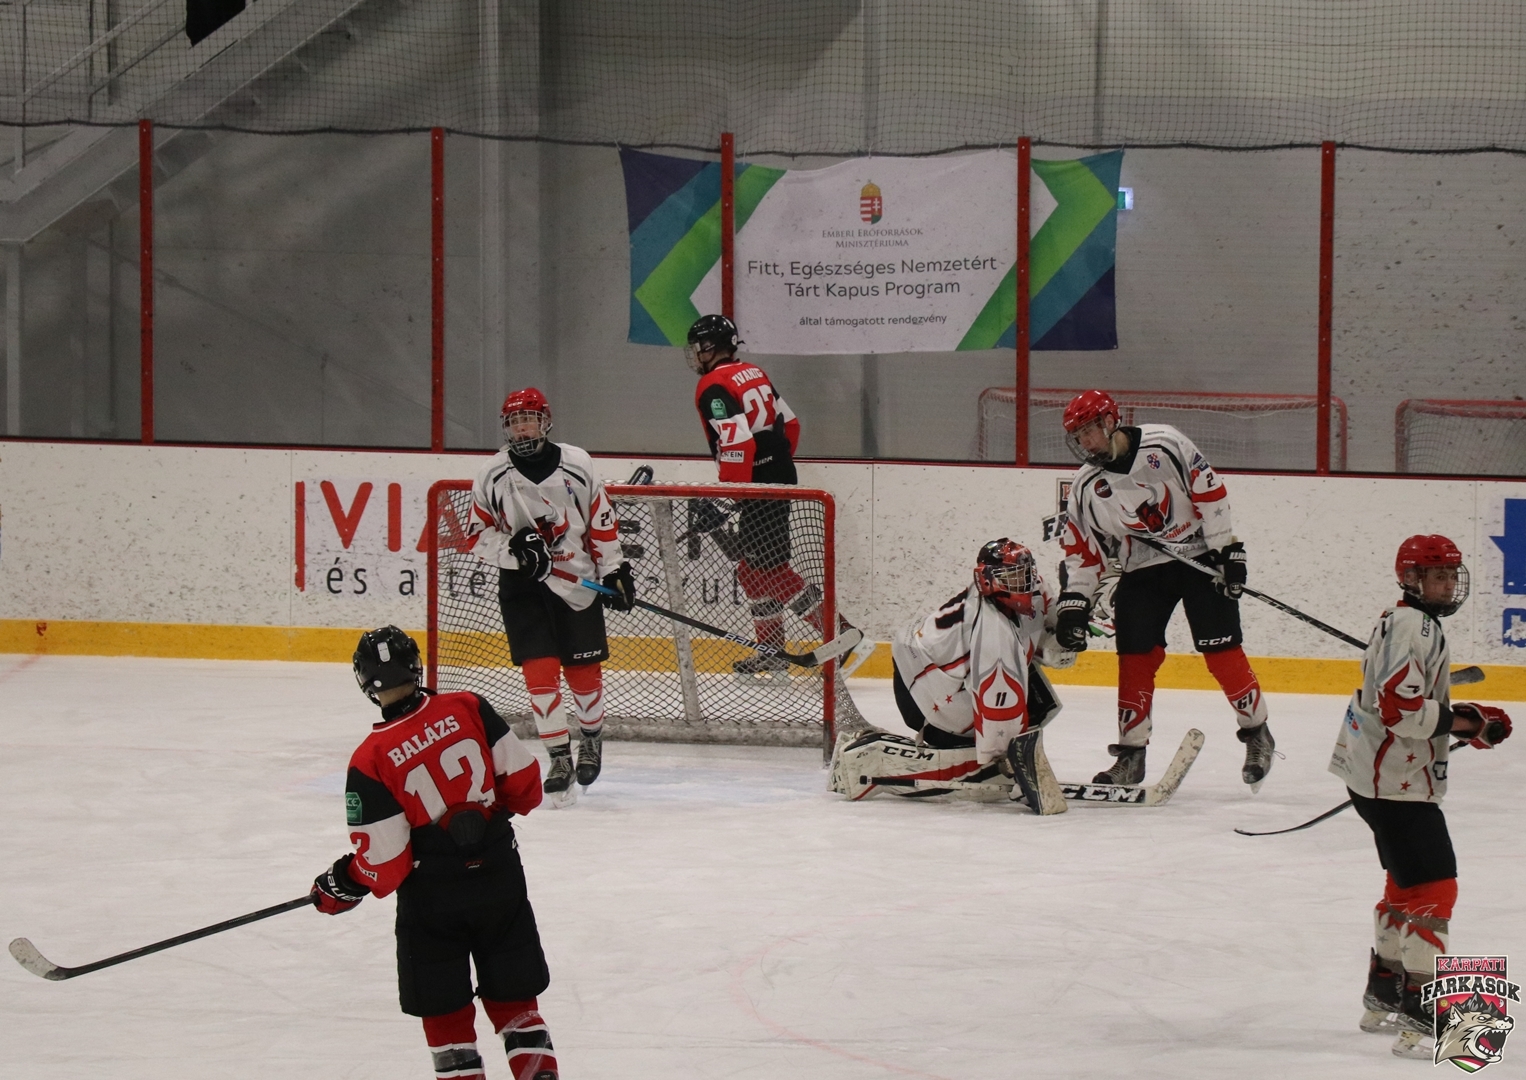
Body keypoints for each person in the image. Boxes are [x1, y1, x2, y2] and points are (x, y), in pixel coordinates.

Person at [311, 626, 560, 1080]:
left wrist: (342, 883)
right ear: (415, 665)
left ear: (365, 682)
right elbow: (526, 787)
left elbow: (385, 865)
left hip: (432, 899)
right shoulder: (468, 706)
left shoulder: (370, 759)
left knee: (446, 1018)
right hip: (499, 876)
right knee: (517, 1004)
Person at [1327, 536, 1512, 1058]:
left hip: (1376, 776)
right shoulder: (1414, 626)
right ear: (1411, 578)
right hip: (1397, 783)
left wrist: (1463, 719)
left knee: (1404, 886)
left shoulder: (1402, 619)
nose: (1448, 584)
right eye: (1438, 576)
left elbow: (1400, 701)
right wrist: (1468, 723)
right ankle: (1422, 1016)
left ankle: (1384, 996)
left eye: (1452, 575)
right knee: (1436, 890)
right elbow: (1400, 712)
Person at [1054, 389, 1275, 789]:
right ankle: (1131, 755)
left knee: (1221, 650)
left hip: (1199, 557)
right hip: (1142, 568)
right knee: (1134, 657)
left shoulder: (1165, 443)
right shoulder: (1086, 487)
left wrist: (1227, 552)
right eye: (1078, 435)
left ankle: (1257, 732)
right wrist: (1075, 601)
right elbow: (1084, 554)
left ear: (1110, 422)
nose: (1084, 442)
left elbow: (1210, 494)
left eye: (1089, 430)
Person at [465, 387, 635, 803]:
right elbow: (476, 535)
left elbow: (601, 523)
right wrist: (515, 551)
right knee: (539, 676)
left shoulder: (578, 463)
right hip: (523, 588)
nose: (522, 429)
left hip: (576, 582)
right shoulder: (491, 473)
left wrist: (614, 571)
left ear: (545, 422)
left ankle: (590, 740)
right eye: (515, 422)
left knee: (583, 674)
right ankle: (559, 758)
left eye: (529, 420)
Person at [829, 539, 1074, 812]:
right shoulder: (992, 630)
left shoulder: (1033, 589)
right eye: (1012, 577)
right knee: (987, 758)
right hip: (922, 687)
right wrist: (1014, 768)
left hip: (928, 663)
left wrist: (1066, 632)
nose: (1022, 583)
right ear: (987, 580)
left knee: (1037, 704)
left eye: (1024, 574)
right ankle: (869, 761)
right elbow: (998, 708)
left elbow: (1048, 622)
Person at [685, 314, 848, 674]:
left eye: (698, 348)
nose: (695, 355)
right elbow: (791, 425)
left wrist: (734, 493)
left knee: (771, 571)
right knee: (751, 571)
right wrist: (775, 466)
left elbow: (739, 441)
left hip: (759, 485)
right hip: (772, 478)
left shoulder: (713, 385)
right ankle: (772, 651)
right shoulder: (753, 372)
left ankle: (842, 633)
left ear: (710, 348)